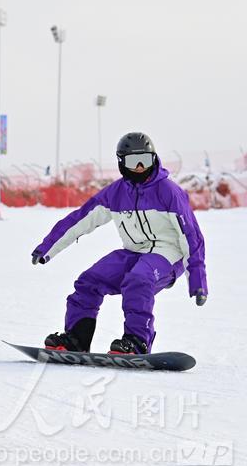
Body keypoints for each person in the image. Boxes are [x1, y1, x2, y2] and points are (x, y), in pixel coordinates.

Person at [31, 132, 208, 354]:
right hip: (133, 251)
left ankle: (137, 341)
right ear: (122, 163)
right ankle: (77, 338)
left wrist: (197, 280)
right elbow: (80, 219)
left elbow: (191, 236)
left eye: (146, 159)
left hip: (168, 254)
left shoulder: (169, 192)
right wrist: (47, 248)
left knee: (139, 279)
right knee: (89, 281)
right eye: (134, 161)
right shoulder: (115, 193)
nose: (141, 167)